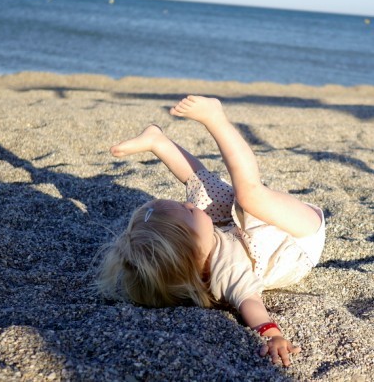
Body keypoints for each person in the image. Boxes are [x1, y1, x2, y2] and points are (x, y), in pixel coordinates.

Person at [96, 95, 326, 367]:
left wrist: (194, 213)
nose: (188, 203)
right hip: (298, 239)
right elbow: (249, 303)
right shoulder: (226, 270)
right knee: (250, 195)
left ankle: (159, 142)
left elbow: (194, 201)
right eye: (189, 211)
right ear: (192, 248)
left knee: (203, 190)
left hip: (245, 233)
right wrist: (271, 334)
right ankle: (216, 119)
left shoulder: (194, 248)